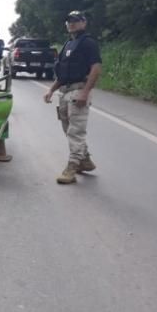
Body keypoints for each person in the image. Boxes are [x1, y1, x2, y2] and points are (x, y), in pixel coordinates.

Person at [43, 11, 102, 184]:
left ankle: (72, 168)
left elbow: (96, 68)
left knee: (76, 131)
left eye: (76, 20)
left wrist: (85, 92)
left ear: (84, 22)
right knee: (67, 128)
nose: (72, 24)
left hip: (79, 89)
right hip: (65, 91)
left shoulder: (88, 43)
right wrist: (51, 90)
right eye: (69, 21)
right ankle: (85, 160)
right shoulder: (68, 44)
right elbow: (63, 73)